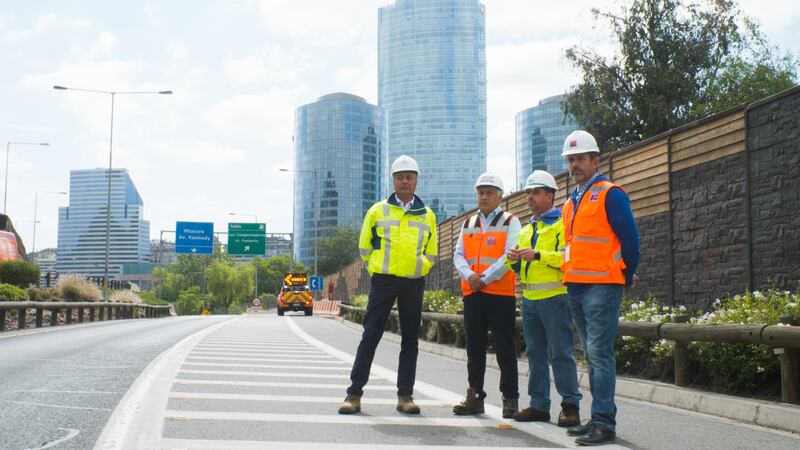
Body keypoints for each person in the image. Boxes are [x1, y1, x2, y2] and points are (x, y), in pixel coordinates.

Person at [338, 154, 438, 415]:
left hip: (413, 283)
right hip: (383, 281)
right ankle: (354, 394)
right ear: (393, 181)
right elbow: (364, 247)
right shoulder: (377, 210)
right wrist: (376, 268)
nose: (405, 181)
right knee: (371, 334)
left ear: (416, 181)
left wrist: (422, 267)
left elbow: (432, 251)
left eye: (409, 177)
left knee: (410, 340)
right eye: (400, 177)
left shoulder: (427, 215)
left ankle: (405, 396)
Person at [560, 130, 640, 446]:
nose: (575, 164)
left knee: (599, 354)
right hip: (576, 287)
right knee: (591, 356)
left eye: (580, 158)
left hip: (603, 285)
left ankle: (605, 423)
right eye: (571, 160)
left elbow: (631, 241)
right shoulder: (571, 202)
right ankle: (597, 418)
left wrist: (626, 272)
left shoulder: (611, 193)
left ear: (595, 160)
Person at [507, 170, 582, 427]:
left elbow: (566, 260)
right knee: (535, 354)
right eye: (528, 192)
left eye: (536, 192)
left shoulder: (562, 224)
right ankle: (539, 405)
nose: (530, 197)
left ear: (550, 196)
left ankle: (570, 406)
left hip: (556, 299)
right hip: (530, 299)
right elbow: (519, 267)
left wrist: (537, 255)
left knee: (561, 353)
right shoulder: (527, 229)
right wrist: (514, 259)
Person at [452, 173, 520, 419]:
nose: (484, 196)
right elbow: (458, 255)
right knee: (475, 348)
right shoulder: (468, 223)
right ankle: (475, 396)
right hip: (472, 292)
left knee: (505, 349)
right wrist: (470, 276)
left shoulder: (511, 221)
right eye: (481, 191)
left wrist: (484, 278)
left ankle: (510, 399)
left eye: (490, 192)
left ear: (500, 196)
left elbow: (509, 256)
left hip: (499, 294)